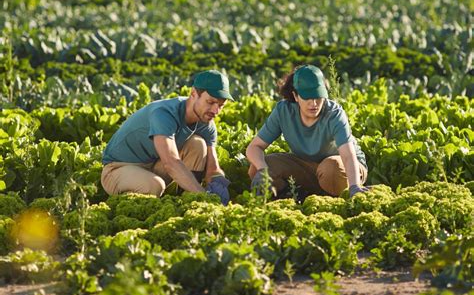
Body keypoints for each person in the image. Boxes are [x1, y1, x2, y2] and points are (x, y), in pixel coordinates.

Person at [101, 70, 233, 204]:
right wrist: (202, 194)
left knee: (197, 145)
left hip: (153, 164)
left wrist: (218, 180)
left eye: (221, 105)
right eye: (210, 102)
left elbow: (213, 168)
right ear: (193, 93)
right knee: (154, 186)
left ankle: (183, 200)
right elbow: (170, 162)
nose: (215, 111)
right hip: (118, 169)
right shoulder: (164, 114)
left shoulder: (206, 122)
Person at [246, 64, 369, 200]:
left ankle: (334, 194)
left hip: (343, 167)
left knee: (331, 170)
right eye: (307, 97)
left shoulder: (334, 114)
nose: (314, 103)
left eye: (318, 97)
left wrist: (355, 185)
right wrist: (263, 170)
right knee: (257, 167)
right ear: (296, 96)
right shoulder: (284, 111)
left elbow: (347, 155)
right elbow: (254, 147)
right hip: (307, 166)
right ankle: (296, 194)